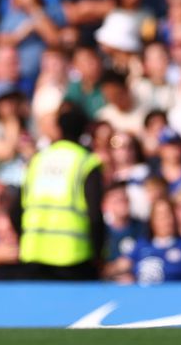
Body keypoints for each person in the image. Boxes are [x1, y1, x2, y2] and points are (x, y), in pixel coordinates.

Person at [19, 105, 105, 280]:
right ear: (85, 131)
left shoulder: (38, 160)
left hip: (34, 252)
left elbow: (17, 207)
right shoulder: (86, 162)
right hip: (73, 256)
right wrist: (98, 254)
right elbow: (95, 215)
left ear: (58, 128)